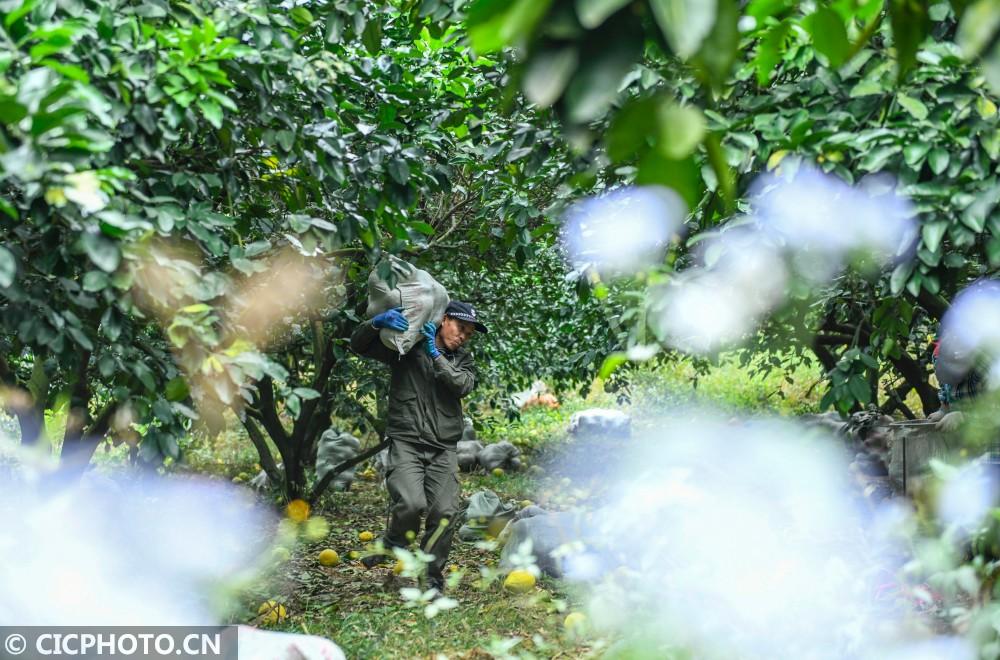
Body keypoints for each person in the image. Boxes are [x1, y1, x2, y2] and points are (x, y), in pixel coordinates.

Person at [350, 300, 487, 592]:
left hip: (443, 448)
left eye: (469, 333)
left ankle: (431, 582)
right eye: (460, 328)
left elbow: (460, 385)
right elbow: (358, 346)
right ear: (444, 320)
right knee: (411, 504)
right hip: (408, 442)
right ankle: (393, 541)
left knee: (445, 514)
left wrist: (435, 353)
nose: (463, 336)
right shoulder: (407, 347)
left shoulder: (463, 360)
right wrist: (376, 324)